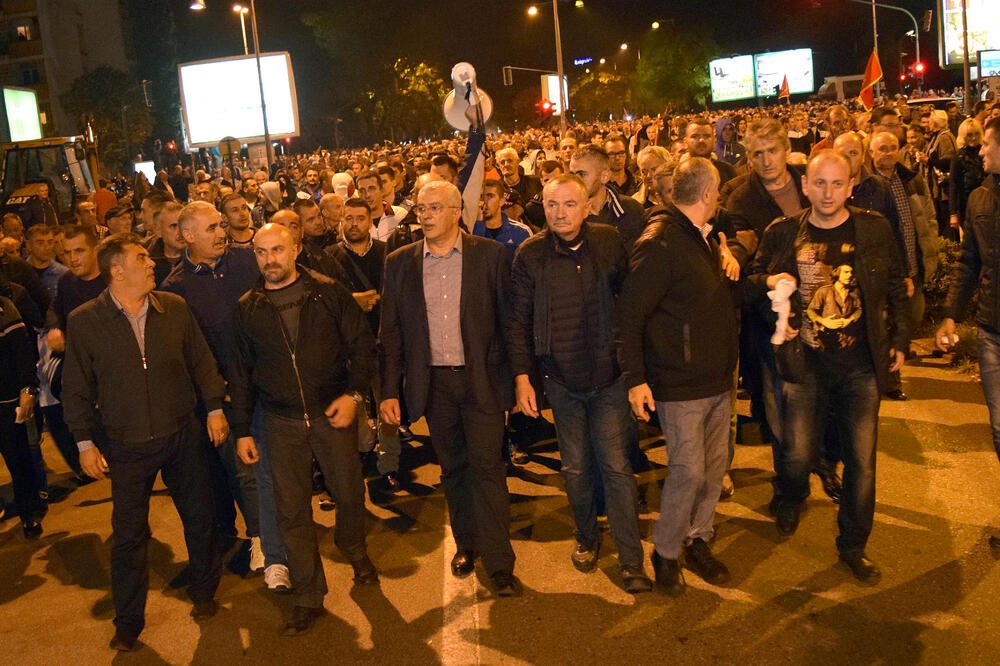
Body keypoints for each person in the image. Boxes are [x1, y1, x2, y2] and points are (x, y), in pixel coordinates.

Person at [748, 150, 908, 583]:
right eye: (820, 183)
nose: (828, 193)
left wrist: (898, 341)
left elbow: (895, 286)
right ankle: (790, 493)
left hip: (861, 368)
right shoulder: (783, 233)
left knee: (862, 462)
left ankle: (853, 545)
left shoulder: (873, 229)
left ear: (851, 186)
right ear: (805, 185)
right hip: (804, 365)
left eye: (838, 184)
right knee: (797, 453)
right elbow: (753, 280)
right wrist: (773, 294)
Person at [63, 233, 228, 651]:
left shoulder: (173, 308)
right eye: (141, 258)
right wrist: (84, 442)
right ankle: (129, 623)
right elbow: (77, 387)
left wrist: (213, 408)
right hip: (127, 444)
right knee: (130, 535)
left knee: (200, 516)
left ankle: (205, 592)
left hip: (181, 434)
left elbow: (201, 361)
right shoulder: (85, 320)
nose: (152, 262)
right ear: (117, 271)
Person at [507, 174, 651, 593]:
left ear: (587, 206)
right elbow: (517, 323)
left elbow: (632, 305)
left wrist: (634, 371)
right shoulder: (529, 255)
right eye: (552, 205)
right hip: (561, 382)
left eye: (569, 204)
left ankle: (630, 560)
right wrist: (522, 379)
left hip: (609, 380)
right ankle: (587, 537)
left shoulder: (608, 242)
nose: (560, 213)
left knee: (617, 469)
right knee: (575, 469)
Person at [232, 223, 378, 636]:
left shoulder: (328, 292)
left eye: (277, 250)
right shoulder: (248, 307)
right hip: (280, 422)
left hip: (330, 415)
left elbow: (362, 346)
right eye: (261, 252)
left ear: (295, 249)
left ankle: (355, 549)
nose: (270, 260)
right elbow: (240, 374)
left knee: (349, 494)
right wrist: (243, 429)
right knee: (292, 511)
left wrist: (353, 395)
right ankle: (308, 595)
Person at [379, 180, 520, 596]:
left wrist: (519, 378)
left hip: (481, 382)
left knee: (489, 470)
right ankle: (467, 545)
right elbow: (391, 334)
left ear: (457, 212)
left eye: (434, 207)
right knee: (454, 470)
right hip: (434, 386)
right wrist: (389, 391)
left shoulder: (491, 257)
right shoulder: (400, 262)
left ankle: (499, 563)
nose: (424, 214)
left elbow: (510, 323)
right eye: (421, 207)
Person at [616, 158, 738, 596]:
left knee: (713, 468)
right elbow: (629, 315)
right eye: (718, 190)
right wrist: (636, 379)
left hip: (715, 379)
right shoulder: (661, 241)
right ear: (707, 193)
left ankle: (698, 539)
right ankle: (666, 552)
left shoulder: (700, 237)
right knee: (688, 472)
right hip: (680, 384)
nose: (720, 197)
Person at [159, 201, 271, 576]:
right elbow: (181, 353)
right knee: (241, 469)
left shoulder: (246, 262)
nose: (222, 233)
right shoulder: (174, 289)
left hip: (266, 385)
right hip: (221, 397)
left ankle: (272, 534)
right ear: (187, 235)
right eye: (211, 228)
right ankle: (258, 541)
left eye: (221, 226)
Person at [935, 116, 1000, 549]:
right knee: (999, 428)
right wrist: (950, 315)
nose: (980, 151)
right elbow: (969, 262)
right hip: (993, 328)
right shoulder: (980, 198)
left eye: (988, 144)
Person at [329, 197, 401, 489]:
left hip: (382, 344)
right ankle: (363, 450)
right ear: (341, 221)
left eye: (360, 218)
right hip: (348, 350)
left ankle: (389, 464)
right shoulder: (329, 257)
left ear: (370, 221)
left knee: (388, 405)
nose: (354, 224)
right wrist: (352, 302)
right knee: (355, 410)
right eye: (349, 218)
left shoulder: (387, 254)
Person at [0, 292, 43, 539]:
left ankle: (30, 514)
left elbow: (22, 353)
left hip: (5, 403)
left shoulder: (5, 309)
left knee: (18, 460)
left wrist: (27, 388)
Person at [569, 145, 647, 250]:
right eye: (572, 175)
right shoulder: (564, 214)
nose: (575, 181)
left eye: (582, 174)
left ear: (604, 176)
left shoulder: (632, 210)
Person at [472, 179, 532, 260]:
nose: (484, 202)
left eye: (490, 196)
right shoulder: (471, 230)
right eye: (481, 197)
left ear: (501, 201)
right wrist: (479, 225)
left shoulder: (521, 232)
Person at [949, 118, 986, 230]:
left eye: (976, 134)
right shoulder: (958, 157)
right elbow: (953, 185)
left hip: (985, 203)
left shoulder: (984, 153)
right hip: (966, 205)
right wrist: (953, 213)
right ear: (964, 136)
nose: (973, 138)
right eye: (969, 135)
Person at [685, 117, 739, 185]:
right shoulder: (678, 173)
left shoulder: (727, 171)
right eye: (695, 136)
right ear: (685, 141)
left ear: (714, 139)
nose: (701, 140)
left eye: (706, 136)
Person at [149, 201, 186, 285]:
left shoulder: (199, 260)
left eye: (182, 225)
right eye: (174, 226)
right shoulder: (148, 264)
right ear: (158, 230)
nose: (180, 231)